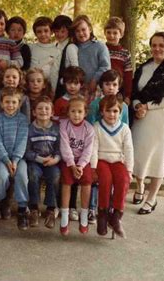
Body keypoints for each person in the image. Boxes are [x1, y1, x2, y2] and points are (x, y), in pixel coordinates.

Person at [131, 31, 164, 214]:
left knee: (157, 157)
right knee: (139, 154)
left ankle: (152, 198)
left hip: (161, 118)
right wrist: (137, 105)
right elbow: (134, 91)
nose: (157, 48)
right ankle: (139, 187)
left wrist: (148, 106)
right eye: (154, 45)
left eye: (161, 45)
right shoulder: (144, 67)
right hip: (141, 117)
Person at [86, 69, 130, 224]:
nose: (110, 87)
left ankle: (114, 209)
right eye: (107, 84)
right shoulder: (95, 105)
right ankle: (93, 208)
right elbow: (91, 128)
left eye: (114, 84)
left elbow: (125, 129)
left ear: (118, 87)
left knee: (118, 178)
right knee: (101, 178)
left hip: (116, 151)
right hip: (96, 148)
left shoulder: (123, 107)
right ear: (101, 86)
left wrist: (124, 158)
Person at [91, 95, 133, 238]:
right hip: (102, 160)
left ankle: (116, 216)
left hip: (117, 160)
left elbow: (128, 150)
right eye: (108, 111)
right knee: (105, 180)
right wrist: (93, 168)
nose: (111, 114)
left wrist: (129, 169)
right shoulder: (97, 126)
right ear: (102, 112)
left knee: (123, 179)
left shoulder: (124, 129)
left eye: (115, 111)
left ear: (120, 112)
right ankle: (102, 213)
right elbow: (93, 149)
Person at [0, 87, 30, 230]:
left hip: (18, 160)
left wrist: (14, 160)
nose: (10, 105)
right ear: (1, 104)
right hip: (2, 159)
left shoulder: (22, 120)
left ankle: (22, 209)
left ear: (19, 104)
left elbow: (22, 141)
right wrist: (7, 160)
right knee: (0, 176)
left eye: (14, 102)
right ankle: (0, 201)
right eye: (7, 102)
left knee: (22, 177)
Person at [59, 96, 95, 235]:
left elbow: (88, 150)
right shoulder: (64, 125)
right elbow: (65, 146)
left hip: (82, 161)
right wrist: (72, 165)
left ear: (85, 113)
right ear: (68, 112)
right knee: (67, 181)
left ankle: (84, 215)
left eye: (80, 111)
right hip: (68, 160)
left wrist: (80, 166)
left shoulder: (89, 128)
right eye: (73, 111)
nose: (76, 115)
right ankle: (65, 215)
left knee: (87, 181)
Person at [25, 96, 61, 229]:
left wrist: (55, 159)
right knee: (33, 174)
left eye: (47, 108)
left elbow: (59, 149)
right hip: (35, 161)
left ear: (52, 112)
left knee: (55, 175)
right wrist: (39, 159)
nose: (43, 111)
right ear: (34, 112)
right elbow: (26, 151)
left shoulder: (56, 129)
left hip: (52, 161)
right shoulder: (30, 129)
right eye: (39, 108)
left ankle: (51, 208)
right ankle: (34, 207)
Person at [71, 15, 110, 98]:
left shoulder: (100, 46)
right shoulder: (73, 48)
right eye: (77, 31)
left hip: (97, 89)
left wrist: (94, 80)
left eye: (83, 29)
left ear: (90, 29)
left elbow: (105, 66)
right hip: (78, 90)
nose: (81, 33)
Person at [104, 17, 133, 104]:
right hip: (101, 90)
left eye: (115, 33)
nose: (111, 36)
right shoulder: (101, 49)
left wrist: (128, 95)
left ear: (121, 34)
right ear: (104, 33)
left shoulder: (125, 54)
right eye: (108, 32)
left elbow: (128, 76)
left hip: (118, 92)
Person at [30, 16, 61, 91]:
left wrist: (53, 90)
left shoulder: (57, 51)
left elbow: (54, 74)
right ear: (35, 33)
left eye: (46, 31)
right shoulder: (30, 48)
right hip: (30, 86)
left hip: (47, 88)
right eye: (39, 32)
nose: (43, 34)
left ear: (51, 32)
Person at [52, 15, 78, 99]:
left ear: (69, 31)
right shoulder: (56, 46)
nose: (59, 34)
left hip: (65, 88)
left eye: (63, 31)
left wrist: (64, 81)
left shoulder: (70, 47)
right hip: (54, 87)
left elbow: (75, 69)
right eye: (56, 31)